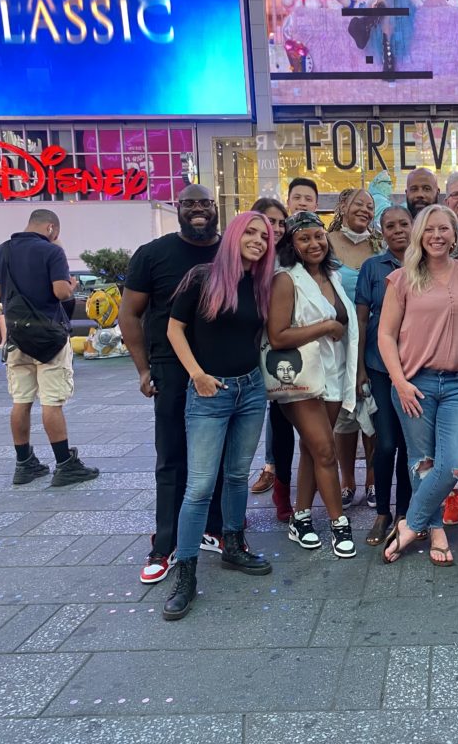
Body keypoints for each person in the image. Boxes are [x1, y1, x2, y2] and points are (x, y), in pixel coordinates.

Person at [161, 211, 275, 621]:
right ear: (233, 233)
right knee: (199, 487)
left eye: (265, 236)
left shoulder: (261, 283)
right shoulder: (202, 277)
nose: (259, 240)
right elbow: (174, 329)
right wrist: (197, 375)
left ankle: (233, 545)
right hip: (210, 392)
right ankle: (186, 573)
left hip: (250, 390)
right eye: (251, 232)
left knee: (236, 475)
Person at [121, 185, 226, 584]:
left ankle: (214, 528)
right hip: (171, 367)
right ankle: (164, 543)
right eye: (190, 204)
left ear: (215, 208)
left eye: (204, 203)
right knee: (172, 455)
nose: (198, 210)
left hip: (222, 365)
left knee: (221, 452)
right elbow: (130, 315)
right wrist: (143, 369)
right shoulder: (153, 254)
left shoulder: (230, 250)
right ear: (178, 209)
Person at [379, 205, 458, 566]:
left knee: (455, 464)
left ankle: (411, 522)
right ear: (419, 236)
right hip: (414, 382)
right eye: (429, 230)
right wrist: (400, 382)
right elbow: (385, 335)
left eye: (444, 229)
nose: (437, 236)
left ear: (455, 235)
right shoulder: (404, 278)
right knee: (422, 461)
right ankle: (436, 530)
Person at [267, 211, 359, 559]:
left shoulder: (333, 276)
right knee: (324, 450)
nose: (313, 243)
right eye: (304, 238)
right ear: (291, 244)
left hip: (333, 374)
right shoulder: (285, 280)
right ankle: (338, 524)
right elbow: (277, 336)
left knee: (310, 449)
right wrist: (324, 327)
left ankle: (301, 517)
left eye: (318, 236)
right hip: (300, 379)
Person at [0, 211, 99, 487]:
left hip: (16, 336)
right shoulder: (51, 252)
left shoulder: (1, 251)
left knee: (21, 401)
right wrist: (71, 286)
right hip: (48, 337)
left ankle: (24, 464)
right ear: (51, 227)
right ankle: (65, 464)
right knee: (51, 402)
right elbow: (61, 292)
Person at [357, 206, 415, 545]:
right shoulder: (372, 268)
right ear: (382, 232)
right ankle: (382, 513)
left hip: (415, 367)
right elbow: (363, 320)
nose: (398, 231)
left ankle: (405, 512)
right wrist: (360, 368)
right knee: (386, 442)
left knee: (409, 443)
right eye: (390, 226)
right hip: (379, 366)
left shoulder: (425, 263)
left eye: (403, 224)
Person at [327, 187, 383, 509]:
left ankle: (373, 479)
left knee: (372, 411)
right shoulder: (326, 242)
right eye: (358, 203)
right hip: (337, 341)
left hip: (374, 340)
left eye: (370, 205)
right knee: (344, 415)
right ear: (342, 205)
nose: (364, 209)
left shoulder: (379, 244)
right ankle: (347, 480)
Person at [247, 198, 295, 521]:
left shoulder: (292, 260)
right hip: (244, 355)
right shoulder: (244, 260)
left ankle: (282, 493)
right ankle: (231, 502)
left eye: (280, 222)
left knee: (282, 425)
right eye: (269, 222)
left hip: (280, 354)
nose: (275, 228)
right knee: (244, 429)